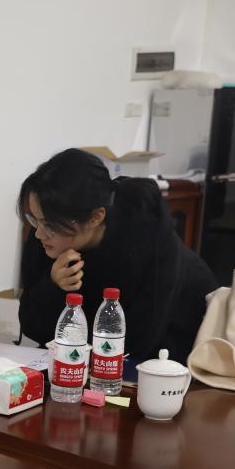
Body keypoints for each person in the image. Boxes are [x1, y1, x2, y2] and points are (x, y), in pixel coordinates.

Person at [17, 148, 218, 363]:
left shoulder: (147, 239)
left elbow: (136, 343)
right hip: (94, 352)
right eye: (34, 220)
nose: (38, 234)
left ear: (95, 217)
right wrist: (53, 286)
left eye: (49, 226)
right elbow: (31, 327)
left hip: (171, 348)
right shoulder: (50, 231)